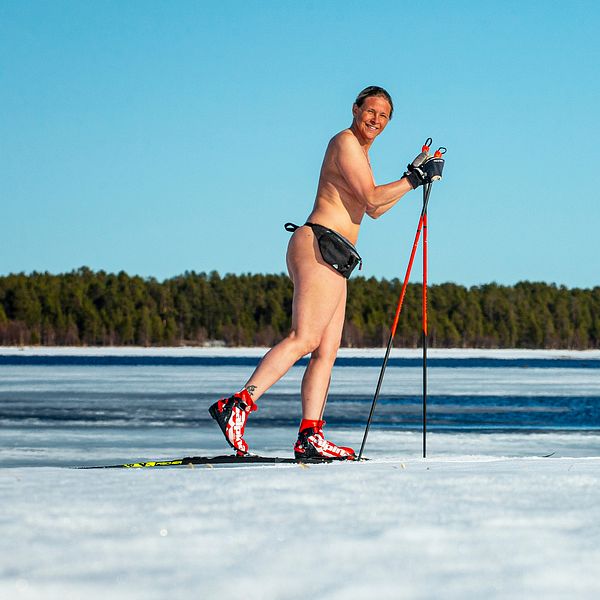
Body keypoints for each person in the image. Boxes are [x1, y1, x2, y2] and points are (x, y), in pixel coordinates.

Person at [209, 85, 440, 460]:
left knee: (326, 351)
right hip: (320, 244)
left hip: (338, 254)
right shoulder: (346, 143)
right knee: (304, 338)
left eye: (384, 117)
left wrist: (412, 175)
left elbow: (375, 209)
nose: (376, 120)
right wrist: (414, 179)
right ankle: (236, 405)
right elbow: (371, 197)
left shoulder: (362, 155)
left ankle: (310, 434)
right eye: (371, 111)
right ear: (355, 109)